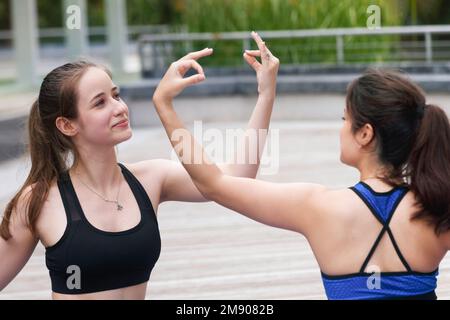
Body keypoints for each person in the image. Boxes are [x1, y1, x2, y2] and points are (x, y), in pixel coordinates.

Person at [152, 32, 450, 300]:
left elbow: (213, 184)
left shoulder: (318, 207)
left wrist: (165, 106)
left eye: (344, 119)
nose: (341, 128)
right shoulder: (436, 208)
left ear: (365, 133)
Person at [0, 32, 278, 299]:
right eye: (100, 103)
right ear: (67, 124)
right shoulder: (38, 201)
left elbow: (236, 178)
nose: (119, 107)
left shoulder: (150, 179)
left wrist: (265, 95)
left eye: (116, 95)